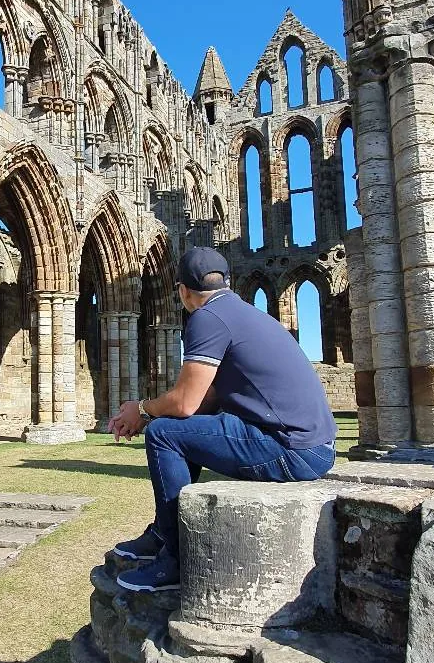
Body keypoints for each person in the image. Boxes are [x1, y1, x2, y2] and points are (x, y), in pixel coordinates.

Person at [109, 246, 336, 592]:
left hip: (293, 449)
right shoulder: (243, 312)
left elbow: (185, 403)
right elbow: (206, 399)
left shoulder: (206, 317)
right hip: (313, 446)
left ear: (183, 291)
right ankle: (161, 533)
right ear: (226, 282)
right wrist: (148, 412)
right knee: (174, 430)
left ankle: (175, 559)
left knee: (162, 434)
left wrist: (141, 409)